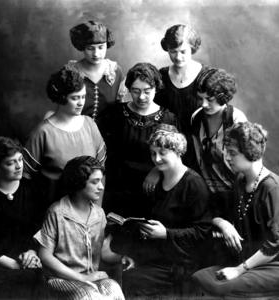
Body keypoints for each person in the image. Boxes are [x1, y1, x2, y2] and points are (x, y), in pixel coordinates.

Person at [111, 124, 211, 296]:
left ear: (178, 152)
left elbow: (202, 233)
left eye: (162, 153)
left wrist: (166, 233)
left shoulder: (194, 184)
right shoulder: (156, 181)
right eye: (153, 153)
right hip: (156, 254)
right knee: (120, 272)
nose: (156, 159)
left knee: (132, 280)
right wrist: (132, 253)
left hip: (181, 262)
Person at [192, 122, 279, 297]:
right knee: (199, 276)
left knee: (217, 286)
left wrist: (239, 270)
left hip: (272, 264)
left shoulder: (272, 188)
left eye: (232, 153)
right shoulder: (240, 180)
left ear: (251, 152)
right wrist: (224, 224)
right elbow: (216, 211)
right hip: (247, 260)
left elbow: (275, 244)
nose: (227, 158)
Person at [34, 156, 133, 300]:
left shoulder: (99, 214)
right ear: (79, 183)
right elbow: (45, 255)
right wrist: (81, 277)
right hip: (62, 279)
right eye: (95, 182)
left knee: (114, 288)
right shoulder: (57, 211)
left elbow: (103, 251)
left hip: (92, 279)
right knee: (89, 296)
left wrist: (121, 257)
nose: (101, 186)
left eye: (101, 181)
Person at [100, 62, 177, 217]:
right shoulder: (115, 113)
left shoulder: (169, 119)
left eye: (147, 91)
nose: (141, 97)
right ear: (129, 90)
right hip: (117, 188)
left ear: (156, 88)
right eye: (135, 91)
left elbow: (177, 157)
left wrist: (157, 170)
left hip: (152, 188)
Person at [23, 65, 106, 206]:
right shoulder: (43, 132)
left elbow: (101, 172)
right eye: (75, 98)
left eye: (83, 97)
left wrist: (97, 210)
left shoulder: (90, 125)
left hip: (88, 210)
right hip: (52, 209)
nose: (81, 103)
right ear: (61, 98)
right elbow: (26, 176)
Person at [0, 137, 43, 299]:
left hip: (28, 258)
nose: (19, 166)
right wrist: (9, 263)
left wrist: (32, 251)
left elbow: (40, 227)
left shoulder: (30, 189)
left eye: (20, 160)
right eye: (10, 163)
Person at [191, 67, 247, 219]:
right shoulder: (196, 118)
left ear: (223, 96)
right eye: (200, 98)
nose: (203, 104)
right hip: (207, 193)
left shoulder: (236, 120)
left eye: (209, 99)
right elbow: (199, 160)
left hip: (236, 193)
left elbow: (246, 165)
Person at [154, 23, 209, 169]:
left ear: (192, 48)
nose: (178, 57)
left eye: (183, 51)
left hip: (201, 152)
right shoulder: (161, 76)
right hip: (168, 149)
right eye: (173, 51)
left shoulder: (207, 77)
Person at [67, 20, 127, 127]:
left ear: (106, 45)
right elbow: (64, 109)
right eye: (90, 48)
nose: (96, 54)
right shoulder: (71, 72)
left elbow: (121, 108)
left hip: (109, 133)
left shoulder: (115, 71)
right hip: (78, 131)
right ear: (82, 47)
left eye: (101, 47)